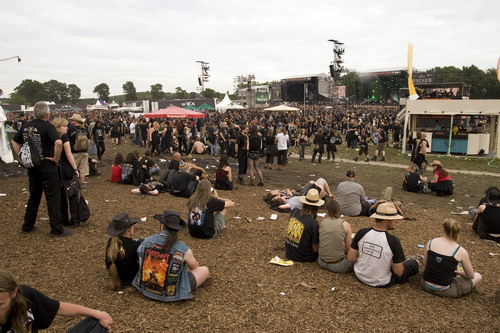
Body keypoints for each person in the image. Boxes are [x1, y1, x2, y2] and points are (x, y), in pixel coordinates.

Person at [11, 102, 69, 237]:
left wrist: (22, 157)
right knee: (53, 198)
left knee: (34, 197)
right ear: (47, 113)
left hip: (32, 167)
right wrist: (55, 158)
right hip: (47, 166)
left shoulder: (26, 126)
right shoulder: (48, 126)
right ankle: (56, 229)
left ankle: (27, 226)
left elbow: (14, 141)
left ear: (34, 113)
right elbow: (59, 142)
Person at [133, 210, 211, 301]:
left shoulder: (146, 242)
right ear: (177, 229)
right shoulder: (183, 249)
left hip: (144, 288)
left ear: (162, 225)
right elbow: (195, 267)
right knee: (204, 270)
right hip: (171, 293)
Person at [0, 271, 113, 332]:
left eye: (1, 304)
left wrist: (97, 313)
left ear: (14, 293)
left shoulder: (25, 295)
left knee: (96, 322)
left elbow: (58, 307)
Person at [347, 203, 419, 287]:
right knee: (412, 264)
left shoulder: (362, 232)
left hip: (359, 275)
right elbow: (398, 272)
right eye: (394, 219)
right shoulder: (393, 241)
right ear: (386, 220)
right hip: (381, 281)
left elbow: (351, 258)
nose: (397, 221)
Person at [421, 219, 482, 297]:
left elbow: (425, 264)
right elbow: (471, 276)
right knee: (478, 276)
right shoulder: (460, 251)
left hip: (425, 284)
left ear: (443, 229)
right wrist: (457, 272)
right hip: (445, 290)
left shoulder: (431, 242)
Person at [52, 117, 81, 228]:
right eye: (64, 126)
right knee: (72, 194)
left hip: (55, 169)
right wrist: (75, 169)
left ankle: (64, 219)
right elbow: (69, 155)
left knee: (61, 196)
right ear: (58, 127)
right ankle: (75, 219)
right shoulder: (64, 137)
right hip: (66, 168)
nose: (66, 128)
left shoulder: (52, 137)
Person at [105, 212, 143, 290]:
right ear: (128, 229)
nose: (134, 227)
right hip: (130, 279)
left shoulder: (111, 241)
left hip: (116, 277)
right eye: (133, 226)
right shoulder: (135, 245)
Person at [285, 188, 323, 262]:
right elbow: (315, 249)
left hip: (289, 252)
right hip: (304, 256)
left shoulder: (294, 212)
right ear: (316, 207)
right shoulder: (313, 224)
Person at [318, 199, 354, 273]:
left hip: (321, 261)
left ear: (327, 210)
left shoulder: (322, 223)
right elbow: (348, 250)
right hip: (338, 265)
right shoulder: (345, 225)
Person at [67, 113, 90, 184]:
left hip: (74, 152)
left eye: (72, 120)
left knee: (73, 168)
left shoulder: (70, 128)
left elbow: (67, 140)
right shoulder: (85, 129)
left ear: (75, 121)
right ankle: (81, 183)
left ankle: (73, 183)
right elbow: (89, 140)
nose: (71, 121)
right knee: (83, 169)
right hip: (84, 152)